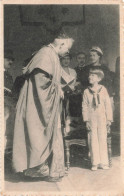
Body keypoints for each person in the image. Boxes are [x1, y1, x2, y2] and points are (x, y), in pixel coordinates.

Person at [12, 33, 74, 182]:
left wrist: (59, 86)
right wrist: (57, 88)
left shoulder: (52, 54)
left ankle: (53, 170)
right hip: (38, 103)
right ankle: (39, 170)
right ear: (61, 45)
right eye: (67, 49)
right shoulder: (46, 53)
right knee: (37, 133)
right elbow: (40, 80)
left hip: (47, 102)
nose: (67, 53)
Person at [82, 68, 113, 171]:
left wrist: (109, 119)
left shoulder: (103, 90)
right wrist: (86, 120)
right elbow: (84, 107)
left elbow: (108, 105)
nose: (90, 77)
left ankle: (103, 162)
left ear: (98, 79)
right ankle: (95, 162)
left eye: (93, 76)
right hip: (92, 118)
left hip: (102, 118)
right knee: (93, 139)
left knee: (102, 138)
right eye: (89, 75)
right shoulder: (86, 91)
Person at [60, 53, 77, 134]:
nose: (66, 61)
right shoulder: (58, 70)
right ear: (60, 60)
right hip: (61, 95)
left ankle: (69, 129)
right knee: (61, 112)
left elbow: (74, 84)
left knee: (69, 112)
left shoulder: (73, 71)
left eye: (68, 59)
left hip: (71, 95)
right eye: (64, 59)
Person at [4, 49, 15, 150]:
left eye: (11, 60)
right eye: (7, 59)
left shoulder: (8, 75)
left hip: (9, 105)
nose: (10, 62)